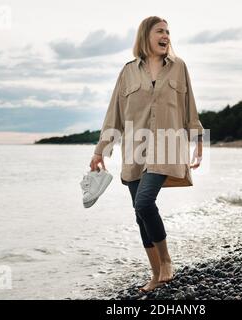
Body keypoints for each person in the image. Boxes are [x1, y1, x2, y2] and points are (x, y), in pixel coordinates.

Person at [90, 16, 204, 293]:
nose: (166, 36)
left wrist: (198, 144)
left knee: (143, 203)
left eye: (168, 32)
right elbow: (114, 116)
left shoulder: (178, 68)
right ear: (146, 36)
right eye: (160, 31)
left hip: (167, 147)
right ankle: (156, 275)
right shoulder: (127, 72)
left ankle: (166, 262)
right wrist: (100, 151)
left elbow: (189, 108)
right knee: (139, 214)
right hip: (134, 151)